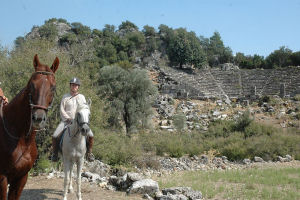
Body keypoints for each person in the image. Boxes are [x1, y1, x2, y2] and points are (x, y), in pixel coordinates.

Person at [51, 77, 94, 162]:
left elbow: (85, 109)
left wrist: (83, 120)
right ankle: (55, 154)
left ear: (78, 87)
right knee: (55, 135)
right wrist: (67, 118)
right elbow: (62, 109)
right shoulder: (65, 97)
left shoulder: (82, 97)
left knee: (91, 135)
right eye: (72, 85)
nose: (74, 87)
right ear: (70, 86)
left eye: (76, 85)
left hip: (80, 123)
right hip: (67, 121)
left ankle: (89, 153)